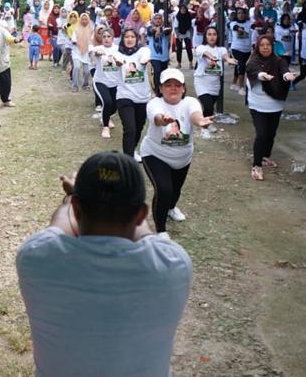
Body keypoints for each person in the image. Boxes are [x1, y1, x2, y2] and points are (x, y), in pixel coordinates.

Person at [16, 152, 192, 377]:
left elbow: (59, 222)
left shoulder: (35, 256)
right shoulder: (173, 264)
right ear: (141, 215)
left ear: (77, 208)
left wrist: (71, 197)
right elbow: (145, 233)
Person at [142, 68, 214, 232]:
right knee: (164, 190)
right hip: (155, 154)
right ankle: (160, 231)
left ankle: (171, 208)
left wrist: (201, 121)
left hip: (182, 158)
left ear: (183, 88)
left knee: (175, 191)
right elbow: (157, 118)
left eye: (177, 85)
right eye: (168, 85)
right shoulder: (155, 103)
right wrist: (163, 119)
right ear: (160, 89)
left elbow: (195, 115)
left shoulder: (190, 102)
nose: (173, 88)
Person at [245, 34, 297, 181]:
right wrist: (263, 76)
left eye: (268, 44)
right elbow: (256, 72)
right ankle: (256, 166)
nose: (265, 47)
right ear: (258, 47)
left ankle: (265, 157)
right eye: (262, 45)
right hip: (257, 104)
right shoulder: (252, 61)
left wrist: (287, 76)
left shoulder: (278, 60)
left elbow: (284, 70)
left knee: (271, 134)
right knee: (261, 134)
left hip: (275, 104)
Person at [115, 27, 152, 161]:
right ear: (122, 39)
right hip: (124, 96)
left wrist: (144, 61)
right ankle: (127, 160)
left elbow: (146, 57)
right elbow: (117, 59)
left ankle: (132, 150)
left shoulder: (143, 50)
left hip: (142, 97)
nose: (129, 39)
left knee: (138, 127)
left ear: (137, 39)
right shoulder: (118, 52)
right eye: (126, 37)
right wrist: (118, 62)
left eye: (132, 37)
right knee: (129, 128)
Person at [193, 26, 236, 138]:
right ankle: (204, 129)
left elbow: (225, 56)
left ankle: (209, 122)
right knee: (208, 106)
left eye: (214, 34)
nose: (212, 37)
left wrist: (229, 59)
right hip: (202, 81)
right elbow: (205, 53)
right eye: (209, 34)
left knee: (210, 107)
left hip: (215, 84)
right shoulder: (200, 48)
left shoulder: (221, 49)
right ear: (205, 36)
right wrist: (211, 57)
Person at [228, 6, 253, 92]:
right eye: (239, 13)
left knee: (238, 66)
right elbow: (234, 27)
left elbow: (255, 26)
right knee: (241, 66)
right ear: (236, 15)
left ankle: (234, 82)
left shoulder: (249, 23)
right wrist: (238, 29)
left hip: (247, 50)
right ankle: (241, 86)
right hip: (236, 49)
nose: (241, 15)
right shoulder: (233, 23)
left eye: (242, 13)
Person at [146, 12, 171, 96]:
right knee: (157, 72)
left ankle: (163, 89)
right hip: (154, 56)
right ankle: (157, 92)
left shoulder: (165, 28)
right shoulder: (149, 28)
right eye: (156, 18)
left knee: (164, 74)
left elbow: (167, 32)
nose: (158, 20)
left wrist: (161, 30)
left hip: (164, 56)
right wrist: (156, 30)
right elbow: (150, 31)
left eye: (159, 18)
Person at [70, 11, 95, 93]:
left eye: (86, 19)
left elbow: (92, 41)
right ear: (80, 20)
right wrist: (80, 43)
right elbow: (73, 40)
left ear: (88, 20)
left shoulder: (91, 30)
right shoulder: (76, 30)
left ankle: (85, 84)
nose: (84, 21)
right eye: (82, 19)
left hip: (87, 52)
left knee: (87, 71)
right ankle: (75, 86)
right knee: (76, 67)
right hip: (77, 51)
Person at [173, 3, 194, 69]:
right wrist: (178, 35)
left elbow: (191, 27)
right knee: (179, 49)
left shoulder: (188, 16)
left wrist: (191, 35)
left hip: (187, 33)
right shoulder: (178, 16)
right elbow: (176, 27)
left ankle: (190, 63)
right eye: (182, 9)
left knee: (188, 48)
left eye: (184, 9)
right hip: (179, 33)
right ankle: (179, 63)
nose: (183, 10)